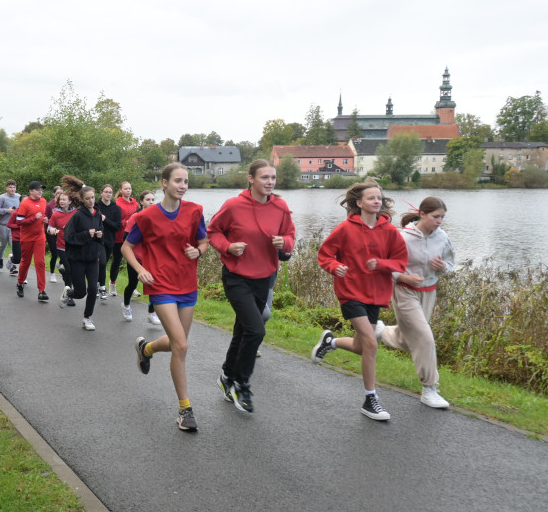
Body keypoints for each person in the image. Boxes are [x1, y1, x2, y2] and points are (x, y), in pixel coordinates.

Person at [312, 179, 408, 422]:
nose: (377, 201)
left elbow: (400, 262)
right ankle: (370, 399)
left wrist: (381, 264)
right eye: (371, 198)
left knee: (360, 346)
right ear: (359, 203)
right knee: (372, 343)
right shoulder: (345, 229)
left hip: (376, 293)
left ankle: (330, 343)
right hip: (350, 291)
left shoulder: (390, 231)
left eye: (379, 198)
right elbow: (325, 254)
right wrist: (335, 267)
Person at [122, 163, 208, 432]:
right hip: (161, 285)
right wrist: (140, 269)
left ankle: (146, 349)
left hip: (187, 284)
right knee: (181, 346)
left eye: (186, 181)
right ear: (164, 183)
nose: (183, 185)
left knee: (176, 344)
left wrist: (200, 251)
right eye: (178, 181)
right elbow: (126, 246)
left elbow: (204, 242)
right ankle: (185, 409)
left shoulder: (195, 212)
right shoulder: (146, 216)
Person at [207, 159, 295, 414]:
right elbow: (213, 232)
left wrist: (284, 243)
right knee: (256, 330)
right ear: (251, 179)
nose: (270, 182)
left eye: (273, 178)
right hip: (236, 277)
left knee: (243, 330)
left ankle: (226, 375)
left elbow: (290, 236)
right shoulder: (234, 205)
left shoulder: (281, 206)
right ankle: (242, 383)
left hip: (264, 277)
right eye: (265, 177)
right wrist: (228, 247)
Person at [376, 197, 455, 409]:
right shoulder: (403, 237)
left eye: (442, 217)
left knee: (408, 338)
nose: (439, 221)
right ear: (422, 214)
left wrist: (442, 267)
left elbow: (450, 264)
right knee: (425, 338)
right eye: (435, 217)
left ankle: (381, 333)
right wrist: (402, 277)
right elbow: (386, 265)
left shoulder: (443, 237)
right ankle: (430, 389)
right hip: (404, 291)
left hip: (429, 292)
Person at [62, 186, 104, 329]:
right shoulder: (77, 215)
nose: (91, 201)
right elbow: (68, 237)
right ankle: (68, 292)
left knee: (93, 289)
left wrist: (100, 235)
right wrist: (87, 234)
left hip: (92, 257)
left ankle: (87, 318)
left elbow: (100, 230)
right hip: (77, 258)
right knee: (80, 293)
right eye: (88, 198)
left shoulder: (98, 213)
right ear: (82, 200)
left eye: (92, 197)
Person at [120, 190, 160, 325]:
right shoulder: (135, 217)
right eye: (148, 200)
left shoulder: (157, 216)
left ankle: (151, 313)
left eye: (153, 200)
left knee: (154, 284)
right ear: (141, 202)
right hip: (136, 257)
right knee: (133, 284)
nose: (151, 202)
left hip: (151, 257)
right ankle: (126, 306)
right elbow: (126, 238)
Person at [15, 181, 49, 302]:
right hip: (27, 237)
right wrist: (34, 218)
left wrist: (45, 220)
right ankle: (20, 283)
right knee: (26, 262)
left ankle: (41, 290)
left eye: (41, 189)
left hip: (40, 236)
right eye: (37, 189)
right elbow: (18, 222)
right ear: (30, 191)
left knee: (40, 262)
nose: (40, 191)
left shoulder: (44, 201)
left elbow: (44, 217)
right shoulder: (25, 204)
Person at [110, 181, 139, 297]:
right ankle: (112, 284)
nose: (128, 191)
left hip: (132, 237)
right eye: (126, 189)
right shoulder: (117, 203)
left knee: (133, 262)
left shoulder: (135, 204)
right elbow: (114, 220)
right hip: (119, 236)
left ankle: (133, 287)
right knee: (117, 261)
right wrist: (126, 222)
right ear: (121, 190)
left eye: (129, 188)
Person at [47, 192, 76, 306]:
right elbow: (49, 227)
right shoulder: (56, 214)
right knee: (69, 269)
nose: (62, 202)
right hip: (62, 246)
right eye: (60, 200)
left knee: (72, 270)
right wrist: (52, 230)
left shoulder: (76, 212)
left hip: (74, 246)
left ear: (70, 201)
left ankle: (65, 276)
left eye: (64, 199)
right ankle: (69, 295)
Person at [95, 184, 122, 300]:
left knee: (103, 264)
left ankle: (99, 286)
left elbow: (117, 226)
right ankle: (99, 287)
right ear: (101, 193)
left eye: (110, 192)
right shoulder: (96, 206)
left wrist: (105, 220)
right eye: (106, 192)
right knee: (99, 263)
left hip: (110, 240)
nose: (108, 194)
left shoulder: (116, 208)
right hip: (96, 240)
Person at [0, 180, 20, 270]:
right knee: (3, 244)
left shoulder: (19, 197)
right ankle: (0, 258)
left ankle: (12, 265)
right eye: (10, 187)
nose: (12, 189)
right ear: (7, 188)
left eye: (14, 187)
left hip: (15, 226)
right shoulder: (2, 198)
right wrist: (7, 210)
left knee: (14, 245)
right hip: (4, 224)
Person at [44, 185, 64, 283]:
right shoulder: (49, 205)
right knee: (55, 253)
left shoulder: (64, 204)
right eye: (57, 194)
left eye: (61, 193)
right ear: (54, 194)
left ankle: (60, 263)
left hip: (62, 231)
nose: (59, 195)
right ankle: (52, 273)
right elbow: (46, 218)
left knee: (66, 252)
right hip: (52, 231)